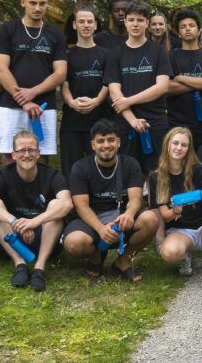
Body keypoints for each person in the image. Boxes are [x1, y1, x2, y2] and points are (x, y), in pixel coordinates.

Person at [62, 119, 154, 282]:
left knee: (151, 219)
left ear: (118, 142)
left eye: (111, 140)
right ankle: (96, 257)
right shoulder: (80, 167)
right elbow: (81, 206)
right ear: (92, 145)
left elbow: (136, 198)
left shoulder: (131, 164)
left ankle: (123, 261)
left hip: (120, 217)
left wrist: (129, 214)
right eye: (100, 141)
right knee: (73, 243)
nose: (106, 145)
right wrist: (100, 229)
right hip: (90, 220)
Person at [0, 131, 73, 292]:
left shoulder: (52, 175)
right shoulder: (2, 174)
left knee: (56, 205)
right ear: (13, 155)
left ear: (38, 153)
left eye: (31, 150)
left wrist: (34, 222)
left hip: (45, 238)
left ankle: (39, 269)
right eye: (21, 150)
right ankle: (20, 264)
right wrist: (14, 221)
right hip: (12, 238)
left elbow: (67, 204)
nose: (26, 154)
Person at [0, 0, 67, 162]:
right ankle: (10, 191)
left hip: (43, 107)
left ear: (48, 4)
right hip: (11, 105)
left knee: (40, 158)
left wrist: (33, 92)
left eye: (42, 3)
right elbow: (1, 68)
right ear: (23, 2)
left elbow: (60, 73)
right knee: (10, 156)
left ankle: (39, 192)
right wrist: (24, 101)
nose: (38, 8)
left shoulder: (55, 34)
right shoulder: (8, 29)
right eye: (33, 3)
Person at [146, 127, 202, 288]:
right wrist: (176, 209)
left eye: (184, 145)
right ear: (167, 145)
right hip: (179, 231)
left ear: (188, 149)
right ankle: (184, 255)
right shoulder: (156, 177)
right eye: (175, 143)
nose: (179, 148)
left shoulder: (198, 169)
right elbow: (165, 215)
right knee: (170, 253)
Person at [106, 1, 173, 173]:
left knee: (157, 173)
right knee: (127, 172)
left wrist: (128, 101)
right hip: (125, 122)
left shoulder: (158, 52)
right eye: (131, 20)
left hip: (155, 121)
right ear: (125, 22)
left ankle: (158, 201)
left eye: (140, 20)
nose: (135, 24)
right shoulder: (115, 54)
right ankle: (131, 201)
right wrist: (133, 120)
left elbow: (162, 87)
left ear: (147, 24)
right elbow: (114, 91)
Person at [60, 5, 111, 176]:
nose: (86, 25)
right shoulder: (66, 55)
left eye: (90, 21)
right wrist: (72, 103)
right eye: (81, 22)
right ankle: (72, 201)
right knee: (71, 168)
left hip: (99, 120)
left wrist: (96, 101)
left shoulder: (106, 54)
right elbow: (64, 85)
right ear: (75, 25)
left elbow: (108, 83)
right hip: (72, 120)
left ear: (96, 25)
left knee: (98, 167)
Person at [168, 9, 202, 150]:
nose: (187, 29)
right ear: (178, 32)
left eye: (191, 25)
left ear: (198, 29)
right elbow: (167, 87)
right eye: (183, 27)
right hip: (176, 121)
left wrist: (180, 78)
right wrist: (200, 82)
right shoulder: (171, 56)